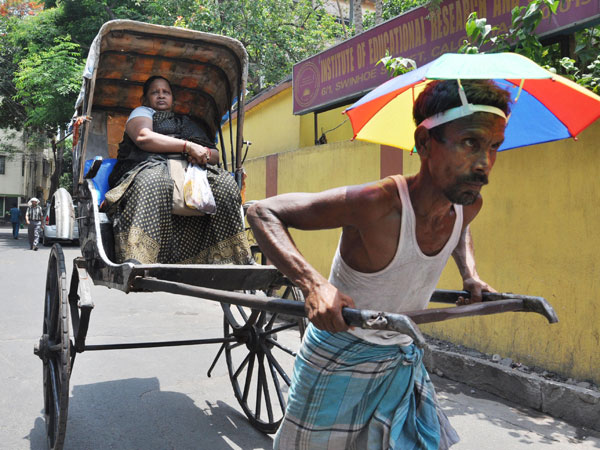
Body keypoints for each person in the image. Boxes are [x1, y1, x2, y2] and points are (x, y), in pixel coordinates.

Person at [247, 79, 511, 449]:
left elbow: (460, 228)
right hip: (338, 356)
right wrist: (314, 284)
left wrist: (471, 275)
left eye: (494, 146)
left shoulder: (468, 203)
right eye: (470, 143)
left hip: (401, 358)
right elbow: (262, 211)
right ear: (423, 143)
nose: (485, 163)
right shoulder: (376, 203)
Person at [104, 75, 252, 265]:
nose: (161, 95)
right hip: (148, 165)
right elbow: (143, 137)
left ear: (172, 98)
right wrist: (187, 147)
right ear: (145, 99)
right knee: (154, 182)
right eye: (155, 92)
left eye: (166, 92)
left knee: (224, 185)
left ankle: (233, 257)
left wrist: (202, 153)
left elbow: (214, 155)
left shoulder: (187, 122)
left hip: (190, 170)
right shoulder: (142, 112)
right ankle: (139, 257)